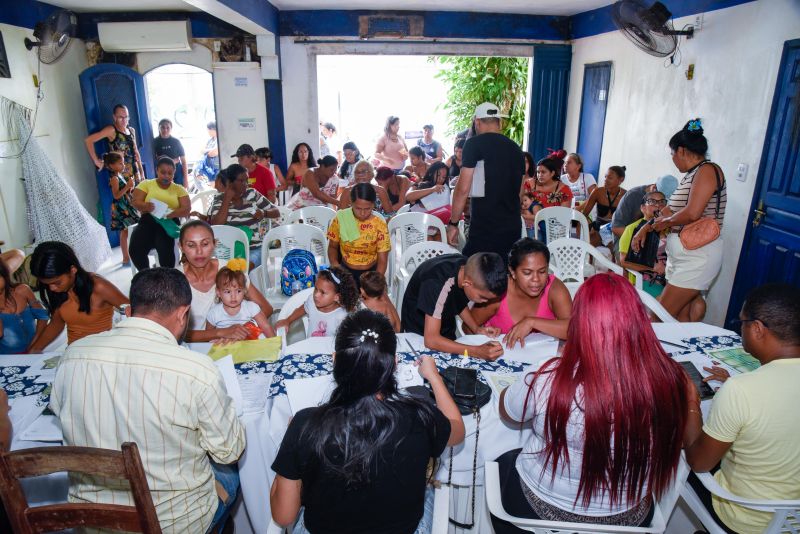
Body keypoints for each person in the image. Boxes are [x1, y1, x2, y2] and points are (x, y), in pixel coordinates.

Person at [50, 267, 246, 533]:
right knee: (229, 471)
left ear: (130, 310)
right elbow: (229, 450)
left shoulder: (73, 355)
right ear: (183, 313)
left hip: (97, 520)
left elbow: (60, 412)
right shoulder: (196, 370)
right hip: (175, 522)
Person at [493, 273, 688, 532]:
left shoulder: (549, 376)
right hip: (627, 518)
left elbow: (509, 413)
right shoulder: (670, 378)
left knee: (501, 459)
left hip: (540, 511)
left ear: (580, 323)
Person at [270, 309, 465, 532]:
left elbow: (284, 516)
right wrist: (434, 377)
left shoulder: (305, 424)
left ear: (335, 361)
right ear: (394, 364)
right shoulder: (419, 415)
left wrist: (292, 445)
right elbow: (457, 430)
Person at [684, 284, 800, 534]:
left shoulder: (741, 391)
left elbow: (698, 462)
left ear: (757, 329)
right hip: (793, 521)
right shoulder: (743, 388)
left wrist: (691, 402)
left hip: (744, 518)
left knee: (676, 456)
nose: (740, 329)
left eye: (743, 322)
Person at [631, 119, 726, 322]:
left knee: (658, 316)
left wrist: (663, 224)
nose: (673, 158)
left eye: (672, 154)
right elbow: (668, 210)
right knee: (679, 319)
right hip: (683, 257)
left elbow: (692, 213)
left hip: (697, 257)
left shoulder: (708, 170)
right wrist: (645, 229)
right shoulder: (691, 175)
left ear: (681, 150)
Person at [447, 103, 525, 261]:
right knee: (505, 275)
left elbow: (462, 189)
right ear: (500, 122)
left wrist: (453, 223)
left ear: (477, 122)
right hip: (512, 227)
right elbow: (520, 193)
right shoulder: (516, 149)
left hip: (484, 226)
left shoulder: (473, 144)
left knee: (477, 275)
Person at [401, 251, 507, 361]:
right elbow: (431, 340)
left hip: (443, 321)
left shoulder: (467, 269)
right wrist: (477, 351)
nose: (484, 302)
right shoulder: (436, 283)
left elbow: (457, 300)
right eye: (482, 297)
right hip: (419, 331)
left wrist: (476, 329)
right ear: (467, 283)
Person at [179, 220, 274, 343]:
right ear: (181, 247)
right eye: (191, 245)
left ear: (214, 244)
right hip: (194, 348)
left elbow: (266, 308)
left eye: (205, 244)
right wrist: (221, 332)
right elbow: (176, 332)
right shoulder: (175, 280)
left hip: (236, 344)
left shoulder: (230, 271)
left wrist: (244, 328)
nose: (199, 251)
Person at [27, 241, 128, 351]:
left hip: (101, 352)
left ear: (73, 270)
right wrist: (34, 350)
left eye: (57, 282)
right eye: (46, 284)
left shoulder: (99, 287)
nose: (52, 288)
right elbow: (56, 323)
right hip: (74, 352)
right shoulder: (58, 291)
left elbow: (136, 312)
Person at [471, 238, 571, 342]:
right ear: (512, 271)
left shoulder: (554, 289)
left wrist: (531, 322)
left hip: (542, 356)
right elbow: (468, 328)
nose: (536, 279)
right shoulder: (498, 292)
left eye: (542, 271)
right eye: (527, 273)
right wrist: (483, 332)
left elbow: (573, 329)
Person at [207, 163, 280, 269]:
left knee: (243, 267)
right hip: (229, 249)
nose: (246, 184)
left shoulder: (252, 194)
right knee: (228, 268)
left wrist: (264, 213)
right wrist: (227, 198)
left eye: (247, 180)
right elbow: (217, 224)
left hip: (254, 248)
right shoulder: (219, 199)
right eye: (241, 181)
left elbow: (276, 211)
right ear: (229, 182)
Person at [129, 157, 191, 271]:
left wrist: (170, 214)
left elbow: (186, 209)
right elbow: (135, 201)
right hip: (148, 220)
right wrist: (145, 206)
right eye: (163, 172)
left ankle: (166, 276)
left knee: (164, 247)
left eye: (170, 173)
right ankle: (146, 274)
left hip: (169, 222)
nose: (166, 176)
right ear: (157, 170)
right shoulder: (146, 184)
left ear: (174, 173)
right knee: (135, 247)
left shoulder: (179, 189)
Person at [327, 183, 391, 287]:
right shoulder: (341, 219)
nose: (362, 213)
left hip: (371, 274)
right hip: (345, 272)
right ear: (351, 203)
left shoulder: (379, 224)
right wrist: (335, 266)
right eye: (358, 208)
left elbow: (382, 261)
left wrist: (375, 282)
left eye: (367, 209)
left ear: (373, 205)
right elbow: (333, 247)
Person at [275, 267, 358, 338]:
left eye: (322, 292)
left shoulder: (342, 316)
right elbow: (303, 308)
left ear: (337, 297)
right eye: (316, 289)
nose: (316, 295)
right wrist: (288, 320)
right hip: (310, 351)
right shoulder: (311, 301)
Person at [619, 191, 669, 297]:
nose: (658, 205)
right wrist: (653, 267)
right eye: (652, 201)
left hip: (670, 280)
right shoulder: (632, 229)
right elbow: (624, 261)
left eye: (662, 202)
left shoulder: (670, 227)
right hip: (644, 281)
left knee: (698, 306)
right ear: (642, 208)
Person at [206, 266, 275, 338]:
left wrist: (276, 346)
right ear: (218, 292)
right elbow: (208, 336)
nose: (233, 296)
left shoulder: (251, 307)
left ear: (244, 290)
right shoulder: (214, 313)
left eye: (238, 291)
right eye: (228, 292)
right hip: (225, 347)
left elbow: (266, 327)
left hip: (249, 346)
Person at [84, 104, 145, 184]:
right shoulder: (111, 130)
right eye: (121, 117)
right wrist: (96, 161)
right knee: (126, 195)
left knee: (140, 195)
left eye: (126, 117)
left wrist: (142, 172)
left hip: (135, 172)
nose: (124, 120)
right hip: (120, 175)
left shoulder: (131, 130)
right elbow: (88, 140)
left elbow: (136, 151)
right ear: (114, 117)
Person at [0, 258, 48, 354]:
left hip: (34, 349)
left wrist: (35, 342)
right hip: (7, 358)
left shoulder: (22, 290)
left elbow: (43, 316)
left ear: (4, 274)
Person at [610, 174, 678, 241]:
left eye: (663, 201)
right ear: (654, 188)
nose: (660, 206)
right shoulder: (632, 196)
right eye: (658, 201)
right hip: (624, 240)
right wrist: (641, 241)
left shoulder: (666, 204)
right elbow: (616, 228)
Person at [105, 152, 139, 267]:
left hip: (126, 205)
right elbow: (116, 195)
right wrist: (127, 186)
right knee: (124, 232)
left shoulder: (120, 175)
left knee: (128, 231)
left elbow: (124, 192)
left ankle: (130, 254)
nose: (123, 165)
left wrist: (130, 187)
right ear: (111, 166)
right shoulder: (114, 178)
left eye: (123, 162)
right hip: (121, 207)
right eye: (120, 163)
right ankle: (125, 257)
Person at [152, 118, 188, 186]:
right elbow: (153, 159)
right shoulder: (155, 142)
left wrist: (185, 180)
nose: (165, 130)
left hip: (177, 172)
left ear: (171, 129)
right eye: (163, 127)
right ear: (159, 128)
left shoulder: (176, 142)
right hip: (162, 173)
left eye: (168, 128)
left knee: (178, 194)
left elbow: (183, 161)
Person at [193, 121, 220, 186]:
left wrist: (206, 152)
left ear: (212, 129)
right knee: (196, 168)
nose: (207, 132)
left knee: (215, 186)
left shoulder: (219, 139)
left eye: (208, 130)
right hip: (208, 165)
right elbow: (201, 151)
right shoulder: (210, 140)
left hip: (216, 167)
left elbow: (215, 152)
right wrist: (206, 152)